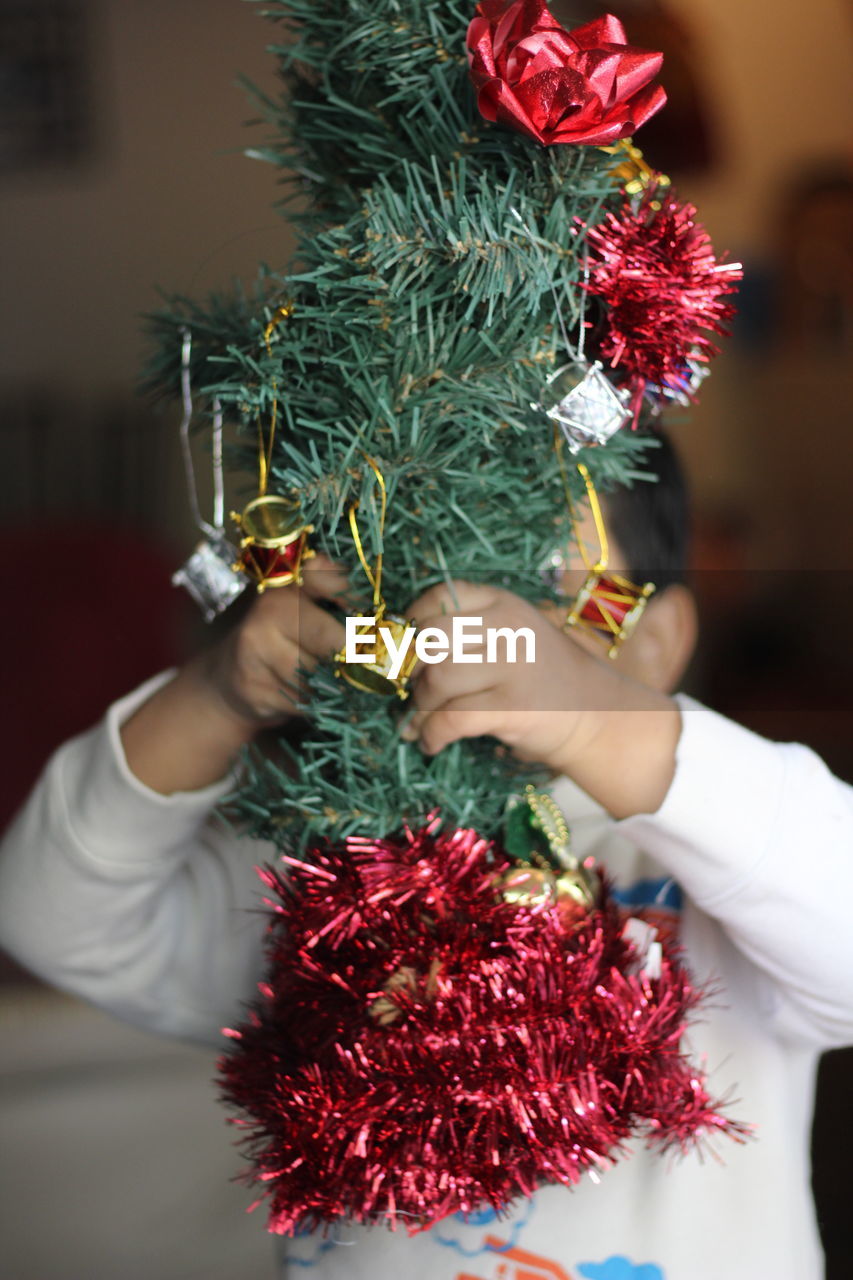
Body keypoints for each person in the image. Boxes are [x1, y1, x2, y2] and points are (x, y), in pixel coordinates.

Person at [1, 440, 851, 1280]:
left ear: (652, 642)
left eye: (532, 581)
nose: (472, 626)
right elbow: (50, 915)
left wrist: (596, 725)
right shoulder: (330, 874)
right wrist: (215, 694)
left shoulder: (722, 858)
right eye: (420, 578)